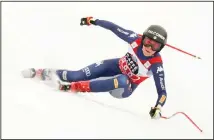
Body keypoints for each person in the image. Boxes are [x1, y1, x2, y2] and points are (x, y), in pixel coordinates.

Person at [22, 17, 168, 119]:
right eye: (148, 41)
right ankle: (42, 72)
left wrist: (158, 107)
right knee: (77, 74)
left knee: (123, 79)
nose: (149, 47)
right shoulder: (134, 39)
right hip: (116, 66)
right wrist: (94, 21)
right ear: (143, 38)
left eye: (155, 45)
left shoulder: (156, 64)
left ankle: (75, 87)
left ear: (160, 48)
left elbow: (162, 92)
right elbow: (114, 28)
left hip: (124, 88)